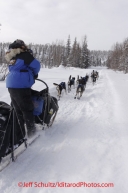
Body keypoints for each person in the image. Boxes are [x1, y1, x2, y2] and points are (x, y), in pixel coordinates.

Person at [5, 39, 41, 137]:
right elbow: (37, 66)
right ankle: (31, 133)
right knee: (27, 109)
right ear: (21, 47)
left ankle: (18, 135)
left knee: (17, 110)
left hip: (11, 84)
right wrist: (34, 74)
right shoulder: (25, 55)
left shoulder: (12, 57)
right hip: (21, 85)